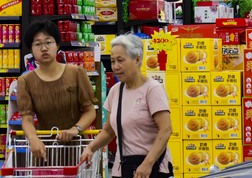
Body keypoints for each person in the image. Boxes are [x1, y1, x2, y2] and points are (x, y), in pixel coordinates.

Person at [81, 34, 173, 177]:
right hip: (123, 168)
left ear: (137, 59)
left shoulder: (152, 89)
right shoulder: (116, 91)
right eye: (112, 61)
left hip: (152, 168)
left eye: (120, 60)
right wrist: (90, 148)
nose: (115, 67)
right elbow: (109, 131)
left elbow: (165, 129)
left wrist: (147, 164)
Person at [17, 21, 97, 161]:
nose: (44, 48)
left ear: (57, 45)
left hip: (77, 147)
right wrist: (32, 138)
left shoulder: (77, 73)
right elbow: (27, 118)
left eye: (49, 42)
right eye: (37, 44)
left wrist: (75, 129)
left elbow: (90, 110)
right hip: (44, 149)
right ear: (31, 50)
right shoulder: (25, 81)